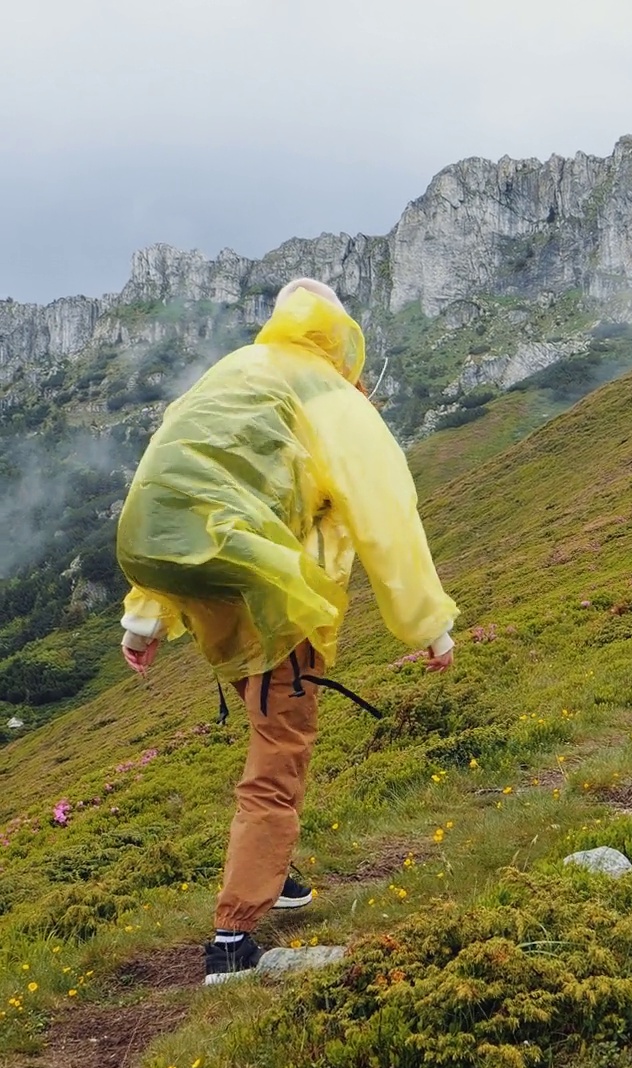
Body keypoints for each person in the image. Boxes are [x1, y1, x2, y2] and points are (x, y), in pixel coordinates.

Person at [117, 278, 458, 985]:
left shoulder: (233, 373)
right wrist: (430, 625)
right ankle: (233, 936)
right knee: (280, 745)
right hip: (272, 590)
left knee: (262, 716)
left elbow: (180, 490)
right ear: (339, 336)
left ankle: (280, 873)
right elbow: (388, 514)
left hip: (193, 572)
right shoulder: (332, 396)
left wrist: (146, 613)